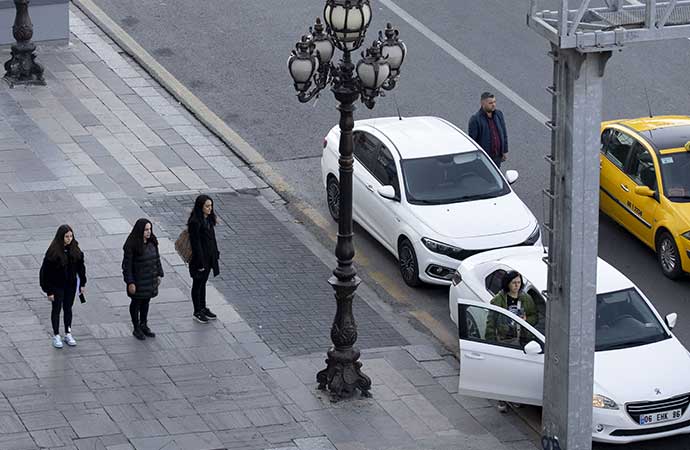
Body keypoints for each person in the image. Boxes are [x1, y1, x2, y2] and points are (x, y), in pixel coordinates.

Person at [486, 270, 538, 412]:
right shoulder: (498, 300)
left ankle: (515, 397)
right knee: (503, 371)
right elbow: (491, 322)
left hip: (522, 340)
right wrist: (490, 343)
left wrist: (527, 320)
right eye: (514, 282)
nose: (516, 285)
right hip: (504, 340)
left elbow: (535, 317)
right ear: (507, 284)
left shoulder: (526, 299)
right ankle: (502, 399)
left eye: (519, 282)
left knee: (517, 371)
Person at [40, 225, 86, 349]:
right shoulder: (53, 253)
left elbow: (81, 268)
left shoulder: (75, 250)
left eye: (71, 236)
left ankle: (68, 332)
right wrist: (49, 291)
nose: (69, 239)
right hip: (57, 286)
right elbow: (45, 273)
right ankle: (56, 334)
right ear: (61, 237)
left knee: (68, 308)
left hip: (70, 285)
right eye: (66, 236)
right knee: (56, 309)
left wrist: (82, 283)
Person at [122, 218, 164, 340]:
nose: (148, 232)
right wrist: (130, 282)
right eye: (146, 229)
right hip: (138, 280)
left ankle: (144, 324)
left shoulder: (152, 242)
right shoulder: (131, 245)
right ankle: (136, 327)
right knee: (136, 303)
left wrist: (159, 274)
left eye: (150, 229)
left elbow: (156, 258)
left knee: (146, 302)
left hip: (149, 279)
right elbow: (127, 266)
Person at [187, 194, 219, 324]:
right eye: (207, 206)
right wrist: (200, 262)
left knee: (203, 283)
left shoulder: (209, 219)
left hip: (209, 256)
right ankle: (197, 311)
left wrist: (216, 253)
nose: (210, 208)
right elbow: (196, 244)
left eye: (211, 206)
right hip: (199, 259)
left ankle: (203, 307)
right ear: (200, 207)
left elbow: (212, 237)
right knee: (197, 284)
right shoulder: (195, 222)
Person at [468, 92, 509, 168]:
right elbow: (472, 141)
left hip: (497, 157)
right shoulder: (475, 119)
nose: (493, 105)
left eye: (494, 102)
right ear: (482, 103)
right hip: (485, 158)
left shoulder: (499, 114)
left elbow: (504, 133)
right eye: (490, 103)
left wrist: (504, 150)